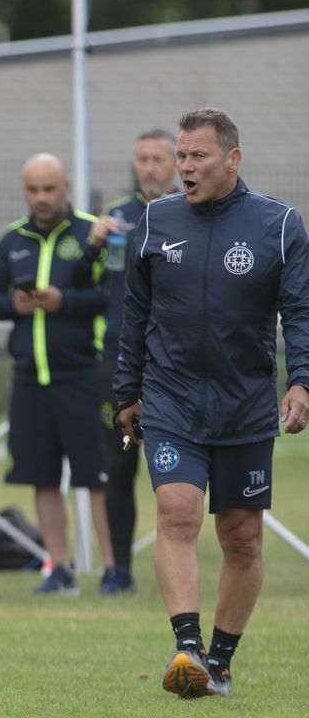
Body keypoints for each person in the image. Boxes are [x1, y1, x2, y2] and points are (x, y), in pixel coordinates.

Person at [114, 108, 309, 699]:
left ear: (233, 159)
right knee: (177, 512)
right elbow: (135, 315)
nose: (185, 167)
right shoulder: (155, 220)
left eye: (197, 156)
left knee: (242, 537)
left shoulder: (280, 226)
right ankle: (187, 648)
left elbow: (299, 313)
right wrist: (127, 390)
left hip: (245, 403)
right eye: (180, 156)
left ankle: (219, 662)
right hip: (170, 396)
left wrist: (301, 381)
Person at [0, 153, 115, 595]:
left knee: (94, 476)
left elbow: (109, 296)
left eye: (49, 189)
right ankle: (60, 568)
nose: (41, 198)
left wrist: (65, 303)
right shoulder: (11, 239)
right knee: (41, 476)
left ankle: (113, 568)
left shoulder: (92, 231)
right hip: (27, 377)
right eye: (33, 190)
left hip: (80, 374)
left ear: (66, 188)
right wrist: (14, 305)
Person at [86, 129, 180, 595]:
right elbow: (84, 283)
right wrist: (93, 245)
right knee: (118, 466)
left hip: (176, 366)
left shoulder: (191, 213)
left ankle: (182, 575)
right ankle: (117, 569)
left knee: (177, 474)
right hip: (119, 363)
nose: (149, 167)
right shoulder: (117, 219)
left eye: (158, 159)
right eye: (142, 158)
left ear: (176, 163)